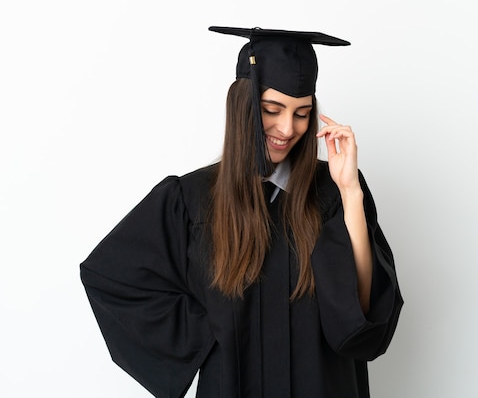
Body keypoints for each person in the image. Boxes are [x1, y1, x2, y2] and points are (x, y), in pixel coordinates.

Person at [80, 26, 403, 398]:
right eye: (272, 109)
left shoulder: (332, 192)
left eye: (302, 113)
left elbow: (364, 313)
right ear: (243, 105)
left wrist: (349, 191)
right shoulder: (191, 200)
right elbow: (112, 276)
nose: (288, 128)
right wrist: (204, 337)